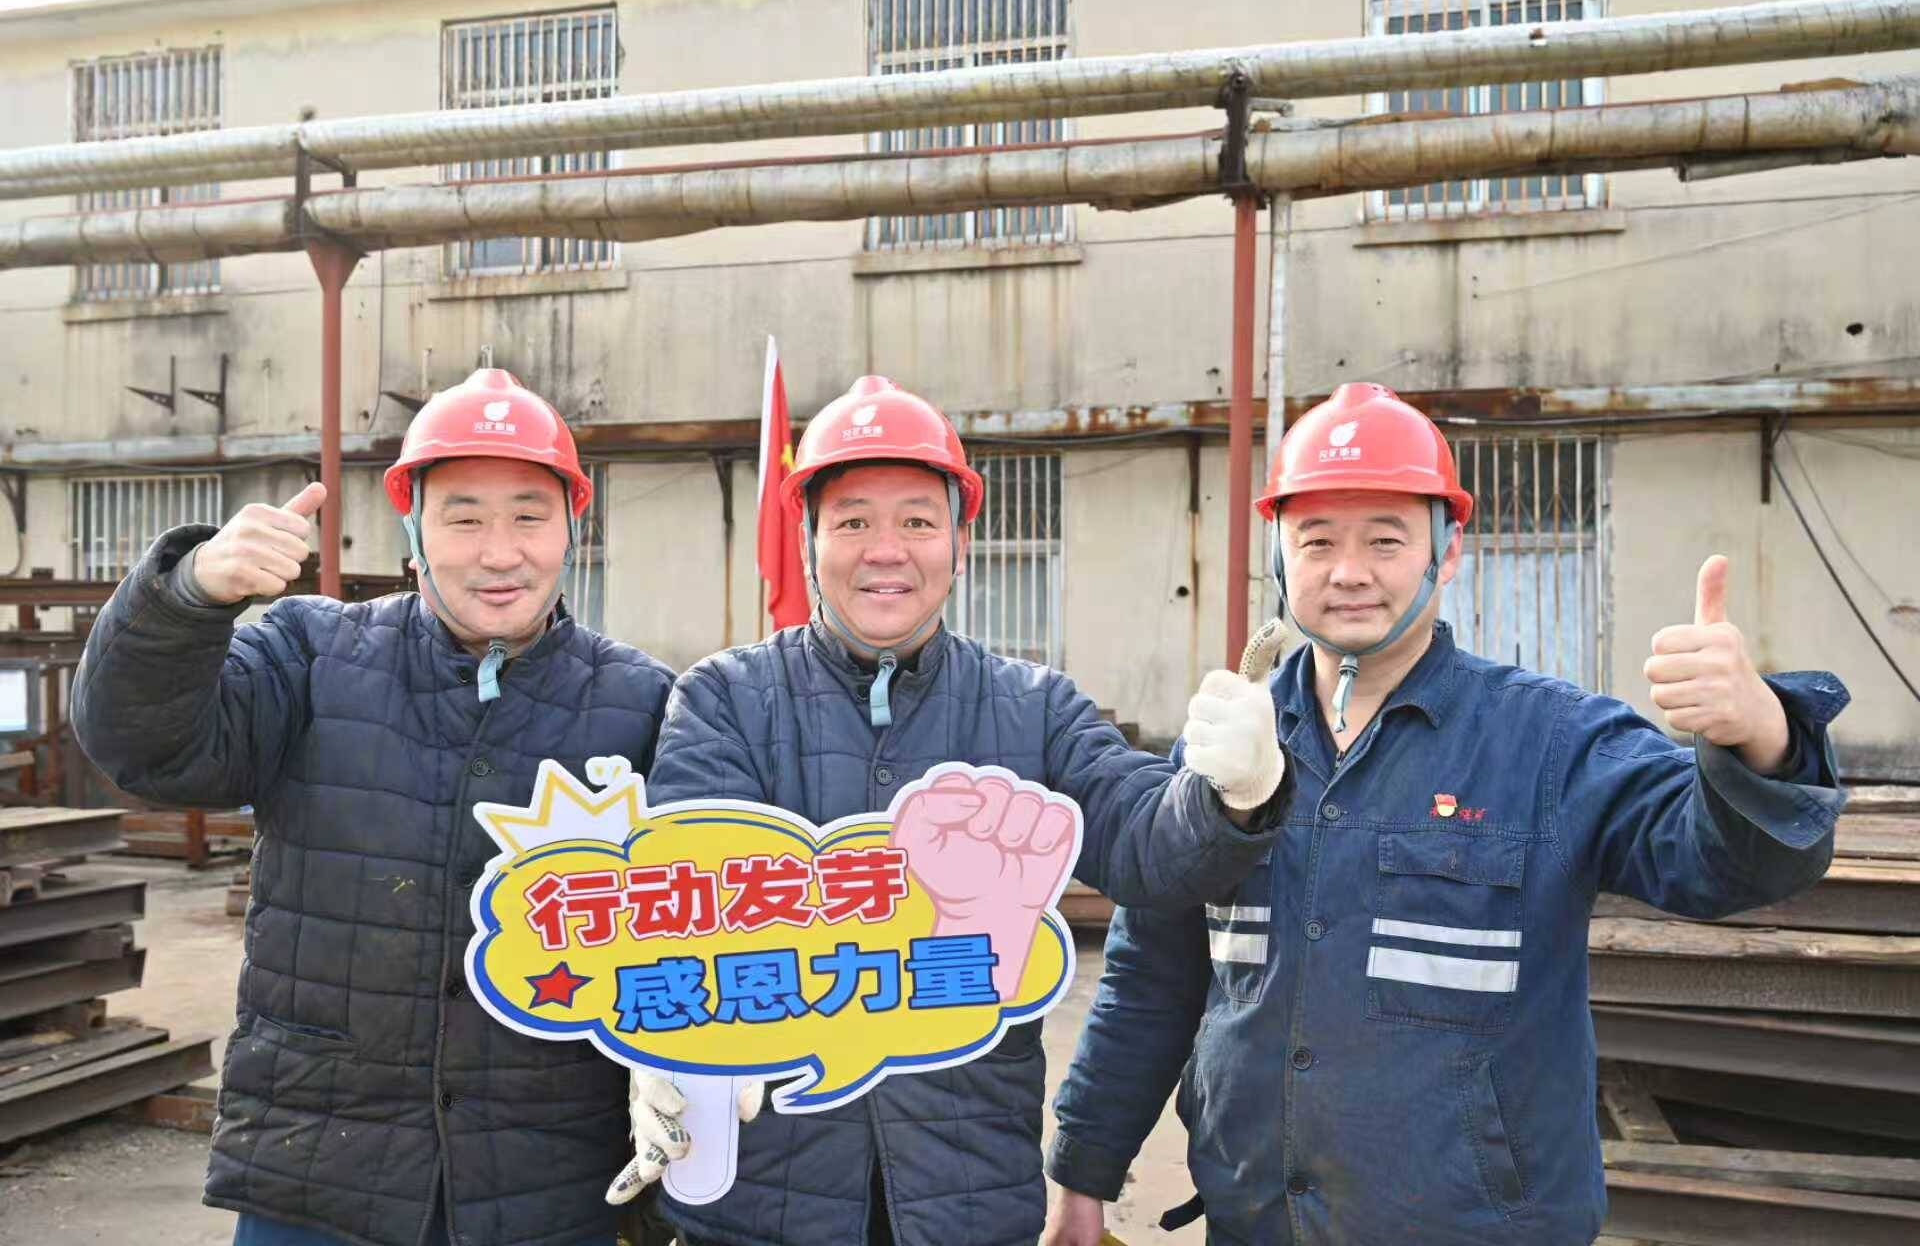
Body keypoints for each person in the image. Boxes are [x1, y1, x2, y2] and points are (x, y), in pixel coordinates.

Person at [1042, 381, 1850, 1246]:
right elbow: (1152, 974)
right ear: (1279, 556)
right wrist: (1084, 1172)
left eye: (1386, 539)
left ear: (1449, 549)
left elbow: (1726, 866)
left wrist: (1762, 736)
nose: (1349, 571)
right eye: (1317, 540)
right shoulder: (1231, 747)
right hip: (1258, 1220)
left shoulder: (1548, 740)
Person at [603, 376, 1295, 1246]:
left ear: (961, 544)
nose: (886, 551)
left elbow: (1145, 845)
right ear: (810, 539)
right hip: (762, 1199)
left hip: (965, 1199)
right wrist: (664, 1052)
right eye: (853, 522)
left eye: (918, 522)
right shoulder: (728, 700)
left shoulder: (1034, 710)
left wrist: (1232, 794)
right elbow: (686, 897)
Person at [72, 369, 676, 1246]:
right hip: (319, 1168)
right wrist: (186, 597)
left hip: (548, 1182)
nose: (498, 552)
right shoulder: (312, 654)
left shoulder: (641, 702)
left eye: (529, 517)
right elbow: (145, 748)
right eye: (463, 519)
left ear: (572, 529)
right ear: (413, 530)